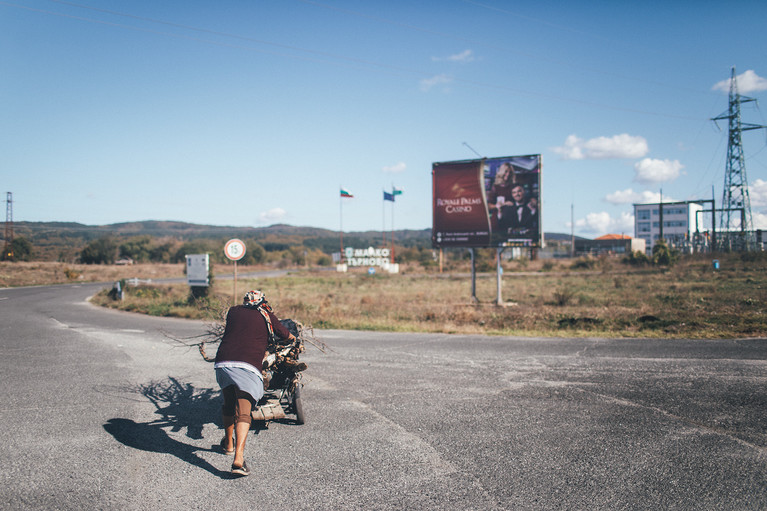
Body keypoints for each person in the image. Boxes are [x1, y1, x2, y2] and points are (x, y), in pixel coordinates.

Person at [214, 290, 296, 476]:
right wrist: (292, 338)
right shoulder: (266, 314)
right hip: (247, 365)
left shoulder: (233, 311)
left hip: (223, 363)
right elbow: (283, 333)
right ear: (262, 302)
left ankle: (228, 444)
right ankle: (238, 459)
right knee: (243, 411)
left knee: (228, 404)